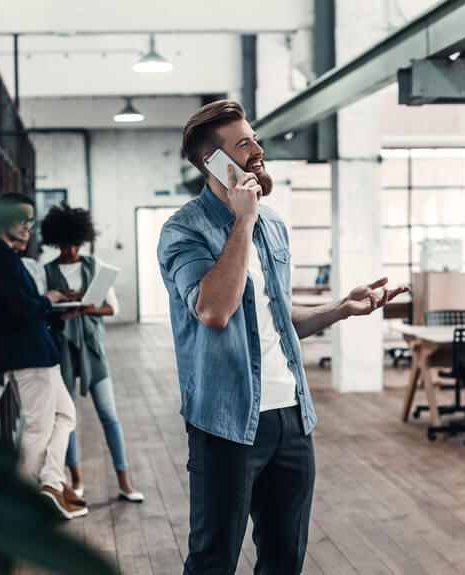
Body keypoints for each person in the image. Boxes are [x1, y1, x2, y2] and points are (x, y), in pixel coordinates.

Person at [157, 100, 407, 575]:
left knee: (285, 558)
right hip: (225, 423)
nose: (258, 149)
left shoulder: (273, 225)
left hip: (291, 418)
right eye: (244, 143)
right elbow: (214, 310)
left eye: (254, 139)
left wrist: (341, 309)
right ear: (214, 162)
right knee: (213, 560)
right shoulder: (184, 230)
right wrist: (242, 220)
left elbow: (272, 316)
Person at [0, 192, 88, 520]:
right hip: (27, 355)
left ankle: (51, 484)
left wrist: (59, 312)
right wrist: (50, 298)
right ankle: (34, 498)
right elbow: (18, 308)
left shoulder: (5, 255)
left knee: (66, 414)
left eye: (30, 220)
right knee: (39, 426)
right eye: (20, 218)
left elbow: (24, 308)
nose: (27, 226)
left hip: (38, 351)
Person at [41, 203, 144, 502]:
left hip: (92, 349)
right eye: (65, 244)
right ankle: (76, 479)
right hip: (62, 349)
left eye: (75, 243)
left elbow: (112, 308)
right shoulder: (46, 272)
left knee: (109, 414)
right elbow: (44, 312)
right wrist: (62, 308)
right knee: (67, 416)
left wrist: (86, 307)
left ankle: (125, 482)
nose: (72, 250)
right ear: (55, 241)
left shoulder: (93, 265)